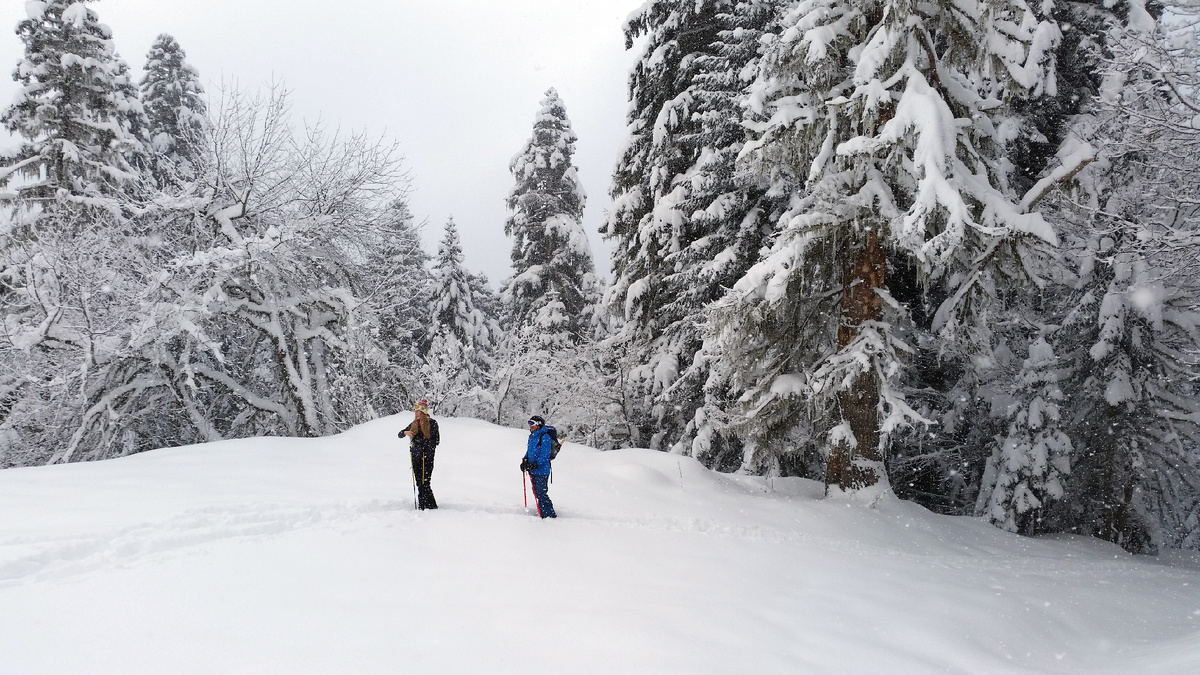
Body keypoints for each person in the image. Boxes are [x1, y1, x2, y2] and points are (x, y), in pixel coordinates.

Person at [400, 398, 440, 510]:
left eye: (417, 411)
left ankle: (427, 506)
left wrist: (424, 444)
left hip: (427, 457)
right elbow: (399, 434)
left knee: (425, 483)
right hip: (416, 457)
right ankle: (426, 505)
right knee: (419, 483)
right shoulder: (413, 424)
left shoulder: (432, 423)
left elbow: (436, 441)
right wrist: (405, 432)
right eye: (415, 411)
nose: (415, 413)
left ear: (423, 412)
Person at [521, 415, 556, 518]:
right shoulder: (532, 436)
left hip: (542, 471)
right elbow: (529, 451)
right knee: (537, 493)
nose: (530, 425)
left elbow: (545, 456)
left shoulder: (545, 437)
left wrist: (535, 464)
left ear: (538, 425)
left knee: (541, 493)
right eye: (529, 423)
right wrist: (524, 461)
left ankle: (549, 515)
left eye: (532, 423)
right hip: (533, 470)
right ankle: (543, 512)